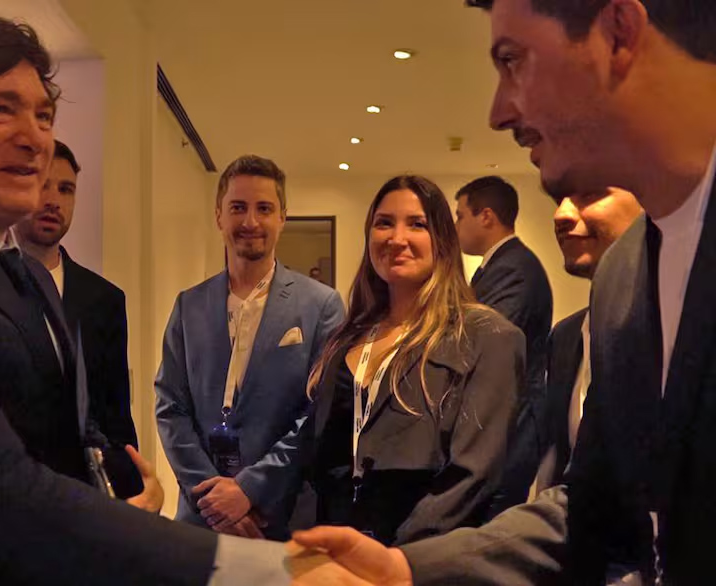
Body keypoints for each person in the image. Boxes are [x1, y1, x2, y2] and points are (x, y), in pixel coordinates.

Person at [0, 5, 297, 584]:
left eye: (44, 115)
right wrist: (263, 571)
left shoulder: (24, 274)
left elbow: (68, 434)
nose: (34, 138)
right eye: (1, 108)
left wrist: (120, 492)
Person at [288, 0, 716, 584]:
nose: (498, 112)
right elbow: (594, 505)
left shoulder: (491, 329)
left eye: (513, 60)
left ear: (619, 34)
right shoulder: (622, 277)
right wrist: (405, 568)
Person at [307, 175, 525, 546]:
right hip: (332, 549)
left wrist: (399, 558)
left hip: (419, 557)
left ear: (442, 239)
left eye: (417, 224)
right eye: (384, 223)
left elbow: (472, 477)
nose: (397, 238)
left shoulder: (486, 336)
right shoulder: (347, 337)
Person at [156, 155, 345, 540]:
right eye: (238, 208)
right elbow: (170, 407)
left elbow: (317, 416)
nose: (251, 222)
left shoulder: (321, 305)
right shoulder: (188, 305)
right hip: (202, 519)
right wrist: (213, 501)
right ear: (218, 216)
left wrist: (249, 491)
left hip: (279, 517)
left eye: (264, 209)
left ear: (283, 217)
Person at [16, 139, 142, 498]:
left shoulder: (104, 298)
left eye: (66, 189)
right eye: (43, 185)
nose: (53, 200)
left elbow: (116, 412)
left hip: (87, 490)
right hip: (14, 486)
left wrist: (132, 489)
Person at [455, 175, 553, 512]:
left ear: (486, 217)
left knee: (492, 521)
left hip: (512, 425)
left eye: (460, 216)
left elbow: (481, 342)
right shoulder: (500, 266)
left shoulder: (514, 268)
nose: (456, 226)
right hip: (504, 423)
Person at [534, 188, 642, 492]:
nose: (561, 214)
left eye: (591, 191)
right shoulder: (565, 337)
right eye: (559, 200)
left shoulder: (685, 326)